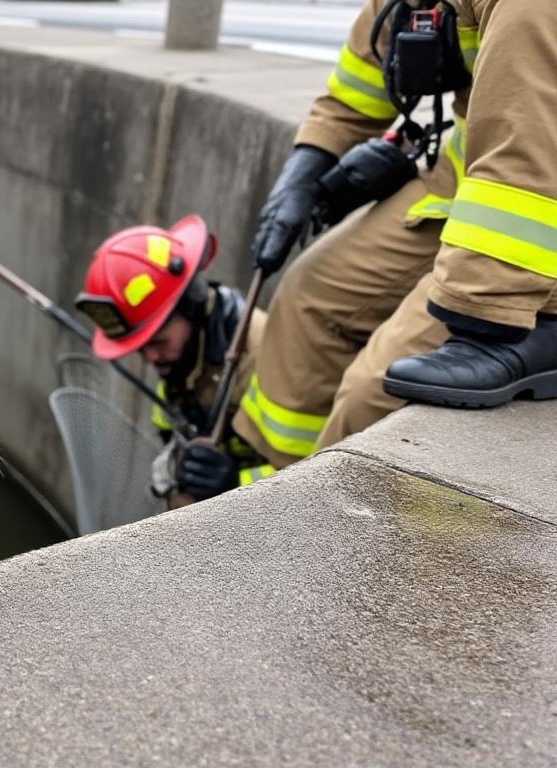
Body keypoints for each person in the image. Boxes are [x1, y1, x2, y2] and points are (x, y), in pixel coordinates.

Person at [234, 0, 557, 471]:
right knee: (308, 299)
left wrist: (490, 318)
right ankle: (269, 481)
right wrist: (305, 169)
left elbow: (527, 150)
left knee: (375, 391)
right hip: (472, 185)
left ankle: (318, 528)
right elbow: (370, 61)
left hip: (528, 219)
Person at [77, 215, 275, 504]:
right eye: (140, 348)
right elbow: (169, 422)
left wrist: (237, 483)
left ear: (191, 307)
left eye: (157, 342)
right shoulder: (183, 359)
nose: (150, 358)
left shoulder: (264, 356)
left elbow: (315, 470)